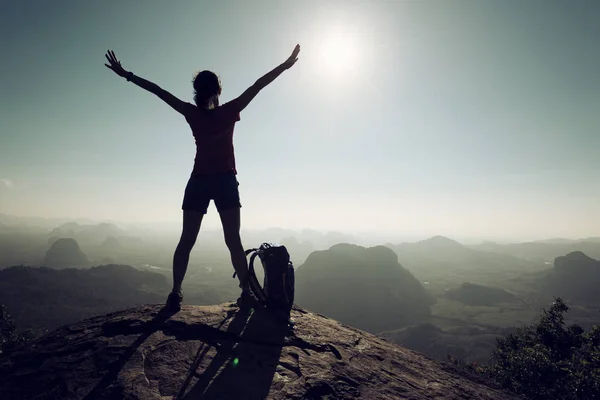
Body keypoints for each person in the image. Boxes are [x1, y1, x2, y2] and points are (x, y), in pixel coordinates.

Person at [104, 44, 301, 311]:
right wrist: (285, 65)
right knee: (233, 240)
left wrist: (126, 74)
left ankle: (175, 292)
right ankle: (247, 293)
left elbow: (158, 92)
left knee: (187, 239)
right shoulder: (229, 111)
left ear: (197, 91)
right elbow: (258, 85)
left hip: (199, 180)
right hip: (225, 182)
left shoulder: (192, 113)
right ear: (219, 90)